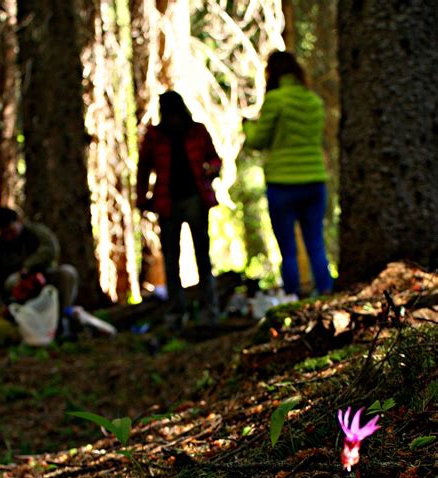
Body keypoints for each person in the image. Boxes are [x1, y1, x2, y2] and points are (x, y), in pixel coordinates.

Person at [243, 50, 333, 297]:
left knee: (289, 250)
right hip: (315, 180)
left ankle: (293, 297)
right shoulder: (313, 101)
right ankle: (326, 292)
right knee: (316, 244)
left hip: (282, 183)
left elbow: (259, 140)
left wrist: (248, 128)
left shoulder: (276, 101)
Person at [136, 91, 222, 330]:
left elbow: (214, 159)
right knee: (171, 261)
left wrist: (211, 171)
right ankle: (176, 314)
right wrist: (142, 197)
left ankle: (209, 313)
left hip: (195, 199)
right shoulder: (155, 136)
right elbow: (144, 168)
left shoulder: (197, 131)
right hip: (167, 202)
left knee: (202, 257)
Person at [0, 207, 79, 321]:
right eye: (4, 234)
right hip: (15, 295)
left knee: (67, 273)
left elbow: (51, 249)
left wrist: (28, 266)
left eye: (11, 231)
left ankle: (62, 319)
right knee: (12, 282)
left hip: (44, 280)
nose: (8, 237)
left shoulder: (36, 232)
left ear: (19, 221)